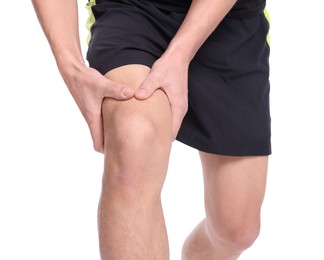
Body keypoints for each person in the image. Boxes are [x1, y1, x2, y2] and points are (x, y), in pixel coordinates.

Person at [31, 0, 271, 259]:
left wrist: (180, 53)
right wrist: (71, 67)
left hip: (228, 20)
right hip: (131, 9)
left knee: (237, 229)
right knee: (135, 139)